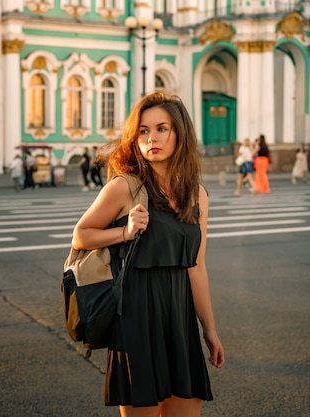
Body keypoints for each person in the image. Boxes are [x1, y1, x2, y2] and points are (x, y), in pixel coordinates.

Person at [72, 91, 224, 417]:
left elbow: (196, 267)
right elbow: (82, 235)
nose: (151, 138)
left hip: (180, 321)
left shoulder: (197, 195)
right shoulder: (125, 187)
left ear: (179, 134)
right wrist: (124, 232)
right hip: (137, 319)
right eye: (143, 131)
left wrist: (208, 330)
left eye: (161, 129)